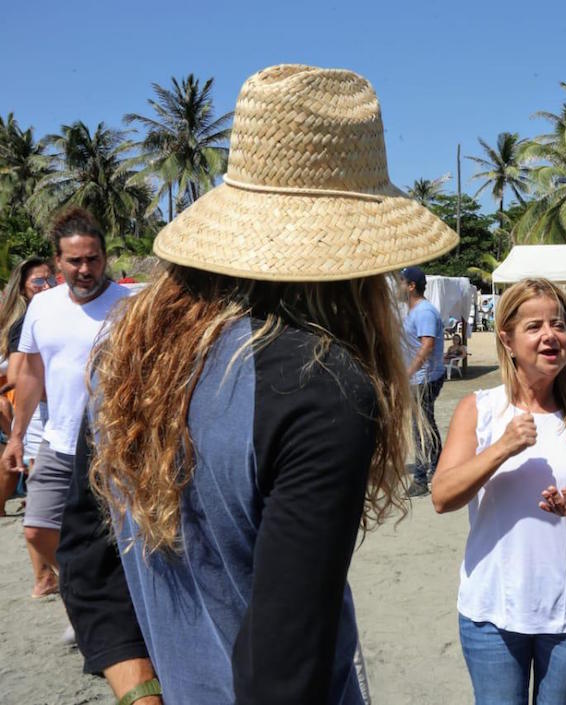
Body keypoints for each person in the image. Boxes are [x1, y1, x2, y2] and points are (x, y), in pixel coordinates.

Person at [57, 64, 457, 705]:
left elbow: (83, 549)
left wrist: (139, 693)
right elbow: (283, 667)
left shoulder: (129, 352)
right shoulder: (321, 384)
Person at [431, 278, 566, 705]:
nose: (550, 335)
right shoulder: (479, 409)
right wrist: (502, 448)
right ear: (508, 339)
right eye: (534, 326)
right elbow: (443, 496)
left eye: (558, 324)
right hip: (492, 615)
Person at [0, 210, 129, 601]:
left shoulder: (130, 303)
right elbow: (31, 374)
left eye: (93, 259)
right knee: (38, 530)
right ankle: (85, 587)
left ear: (105, 257)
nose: (85, 269)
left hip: (116, 443)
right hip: (58, 441)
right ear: (58, 262)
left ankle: (103, 602)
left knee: (122, 536)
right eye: (75, 261)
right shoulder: (43, 306)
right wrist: (16, 438)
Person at [0, 257, 54, 517]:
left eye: (50, 279)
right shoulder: (24, 323)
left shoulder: (53, 314)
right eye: (38, 281)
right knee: (37, 475)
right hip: (34, 410)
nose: (47, 286)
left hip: (46, 408)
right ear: (22, 288)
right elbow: (14, 374)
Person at [400, 265, 446, 498]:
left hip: (425, 378)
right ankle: (436, 470)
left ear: (411, 286)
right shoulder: (413, 310)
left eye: (401, 281)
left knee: (422, 429)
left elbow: (427, 345)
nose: (398, 286)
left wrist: (407, 373)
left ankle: (422, 477)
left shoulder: (424, 311)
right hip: (419, 378)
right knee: (423, 425)